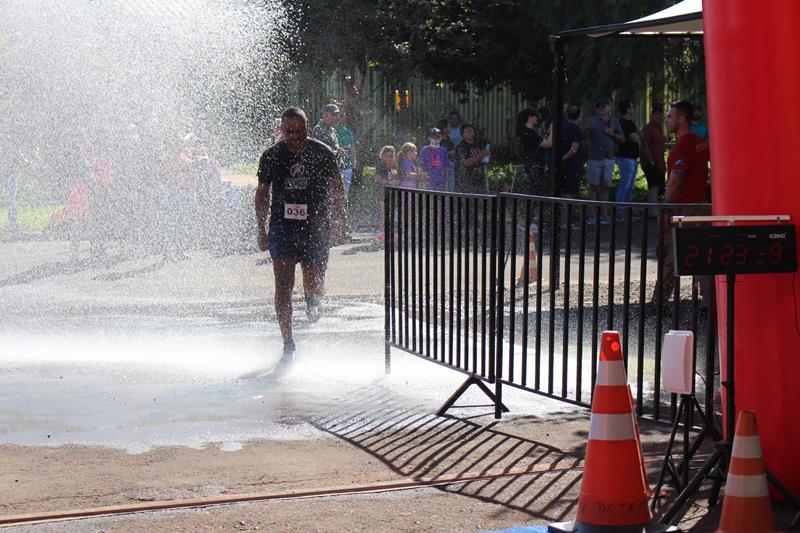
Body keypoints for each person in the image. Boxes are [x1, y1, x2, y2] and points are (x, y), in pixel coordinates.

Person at [255, 107, 346, 358]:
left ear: (307, 127)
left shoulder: (322, 152)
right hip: (283, 227)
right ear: (281, 130)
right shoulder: (272, 156)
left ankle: (312, 299)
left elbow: (338, 188)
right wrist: (261, 228)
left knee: (314, 279)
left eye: (300, 130)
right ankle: (288, 342)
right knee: (283, 285)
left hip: (315, 225)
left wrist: (338, 221)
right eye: (289, 132)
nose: (295, 136)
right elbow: (262, 193)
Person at [653, 100, 710, 306]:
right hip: (701, 208)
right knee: (702, 256)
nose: (667, 120)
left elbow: (676, 181)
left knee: (672, 257)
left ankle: (659, 303)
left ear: (681, 118)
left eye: (670, 116)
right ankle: (709, 303)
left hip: (684, 210)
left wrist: (666, 209)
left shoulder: (683, 146)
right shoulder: (700, 143)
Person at [584, 98, 624, 223]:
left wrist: (612, 134)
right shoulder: (592, 121)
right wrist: (588, 129)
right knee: (593, 187)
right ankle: (592, 215)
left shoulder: (614, 121)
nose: (601, 109)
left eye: (603, 106)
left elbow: (622, 139)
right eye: (598, 107)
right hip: (594, 158)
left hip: (609, 158)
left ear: (608, 107)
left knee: (606, 187)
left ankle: (604, 215)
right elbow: (583, 137)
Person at [614, 98, 641, 212]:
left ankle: (627, 210)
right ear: (627, 109)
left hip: (633, 158)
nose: (634, 108)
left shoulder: (631, 123)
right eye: (632, 106)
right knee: (625, 185)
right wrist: (639, 137)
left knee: (630, 187)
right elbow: (635, 138)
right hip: (625, 157)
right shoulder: (624, 123)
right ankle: (619, 211)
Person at [639, 104, 667, 207]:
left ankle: (656, 210)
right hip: (651, 163)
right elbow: (644, 146)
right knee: (653, 186)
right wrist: (651, 162)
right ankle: (652, 211)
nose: (659, 117)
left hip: (659, 164)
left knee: (659, 188)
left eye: (660, 115)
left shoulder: (659, 129)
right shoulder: (648, 129)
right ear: (652, 116)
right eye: (656, 115)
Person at [454, 123, 490, 193]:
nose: (469, 131)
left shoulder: (477, 145)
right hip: (465, 182)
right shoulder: (461, 147)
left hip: (478, 180)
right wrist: (482, 154)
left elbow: (484, 162)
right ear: (462, 134)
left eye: (471, 130)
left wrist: (486, 156)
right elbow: (466, 163)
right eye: (467, 131)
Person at [373, 145, 398, 242]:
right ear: (382, 156)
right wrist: (389, 182)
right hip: (382, 192)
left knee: (389, 212)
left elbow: (394, 177)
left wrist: (396, 181)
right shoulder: (380, 165)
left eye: (391, 156)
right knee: (384, 212)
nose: (389, 158)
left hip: (390, 192)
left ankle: (388, 231)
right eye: (387, 156)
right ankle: (381, 232)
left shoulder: (392, 166)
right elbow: (377, 178)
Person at [559, 105, 583, 198]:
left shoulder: (560, 127)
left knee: (560, 192)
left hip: (560, 167)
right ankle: (566, 213)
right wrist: (563, 158)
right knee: (569, 194)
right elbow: (573, 150)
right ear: (579, 116)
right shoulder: (577, 130)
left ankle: (558, 212)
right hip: (571, 166)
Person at [419, 127, 449, 191]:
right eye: (433, 137)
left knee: (439, 199)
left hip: (440, 180)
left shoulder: (444, 150)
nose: (435, 139)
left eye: (438, 137)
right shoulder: (424, 150)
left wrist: (446, 184)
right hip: (428, 180)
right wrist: (422, 182)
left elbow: (446, 168)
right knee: (428, 198)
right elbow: (421, 167)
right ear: (428, 138)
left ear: (441, 138)